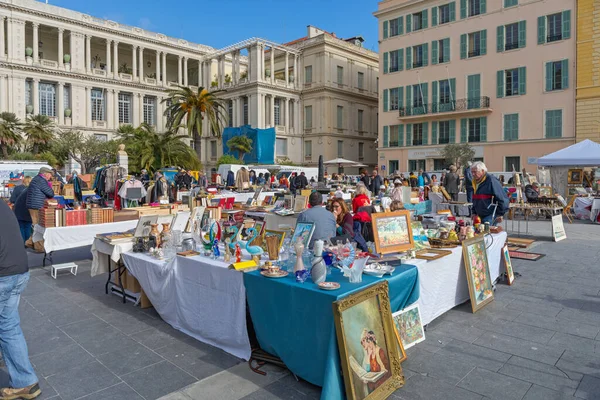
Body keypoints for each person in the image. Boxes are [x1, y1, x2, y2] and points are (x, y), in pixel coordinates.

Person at [0, 200, 42, 399]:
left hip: (4, 276)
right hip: (19, 271)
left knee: (7, 326)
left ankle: (24, 380)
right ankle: (26, 382)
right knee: (8, 325)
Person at [25, 167, 54, 247]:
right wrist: (50, 186)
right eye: (50, 175)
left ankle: (30, 242)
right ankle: (39, 246)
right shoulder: (41, 181)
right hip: (37, 205)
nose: (50, 177)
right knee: (39, 226)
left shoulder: (36, 179)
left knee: (36, 225)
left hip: (33, 204)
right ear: (45, 174)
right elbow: (50, 193)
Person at [360, 329, 391, 394]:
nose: (362, 343)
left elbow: (385, 368)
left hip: (382, 381)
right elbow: (367, 371)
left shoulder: (379, 351)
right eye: (361, 341)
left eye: (364, 340)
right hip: (373, 383)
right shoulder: (368, 355)